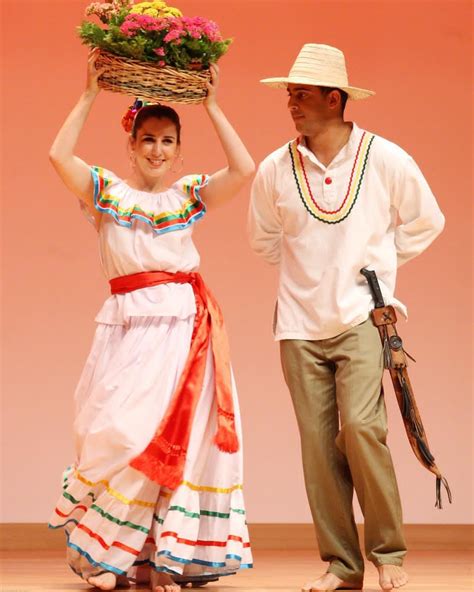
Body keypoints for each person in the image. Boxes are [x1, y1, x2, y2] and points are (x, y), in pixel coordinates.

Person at [48, 48, 254, 592]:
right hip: (125, 328)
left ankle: (159, 558)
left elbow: (244, 170)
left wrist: (211, 104)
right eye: (148, 139)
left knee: (173, 441)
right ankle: (111, 552)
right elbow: (56, 155)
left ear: (180, 152)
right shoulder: (107, 193)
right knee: (117, 432)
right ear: (132, 145)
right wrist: (90, 92)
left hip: (183, 331)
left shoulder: (188, 196)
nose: (157, 149)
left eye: (167, 141)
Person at [248, 43, 444, 592]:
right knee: (316, 444)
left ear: (335, 99)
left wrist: (380, 260)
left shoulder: (384, 157)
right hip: (297, 325)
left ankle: (388, 551)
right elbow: (262, 240)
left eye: (302, 94)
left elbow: (427, 221)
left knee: (362, 429)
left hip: (361, 316)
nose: (292, 103)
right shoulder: (274, 168)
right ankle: (341, 565)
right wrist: (310, 271)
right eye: (289, 94)